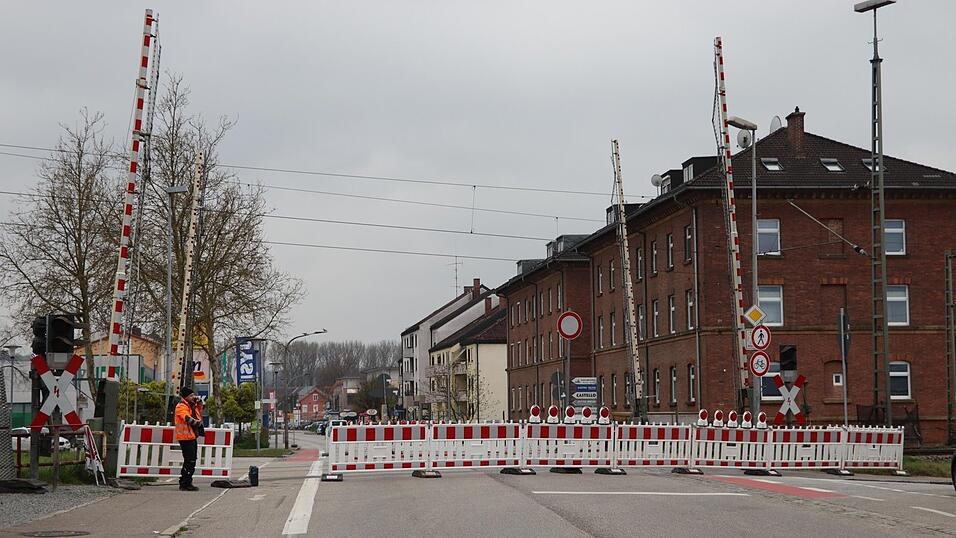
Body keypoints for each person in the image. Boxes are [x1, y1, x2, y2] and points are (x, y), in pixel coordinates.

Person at [175, 386, 204, 491]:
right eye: (191, 395)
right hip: (185, 437)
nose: (193, 397)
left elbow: (199, 412)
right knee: (190, 460)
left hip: (191, 436)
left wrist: (199, 403)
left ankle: (186, 481)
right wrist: (197, 423)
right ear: (186, 397)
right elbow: (186, 417)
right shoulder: (181, 406)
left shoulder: (191, 405)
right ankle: (185, 483)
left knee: (191, 460)